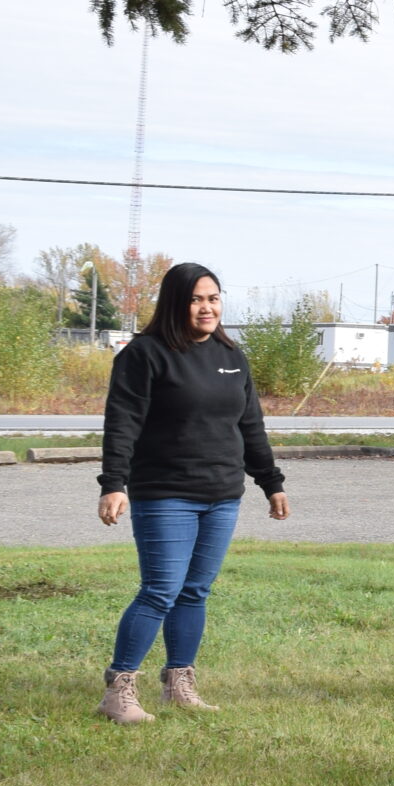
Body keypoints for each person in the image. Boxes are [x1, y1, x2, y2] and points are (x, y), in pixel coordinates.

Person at [94, 263, 291, 724]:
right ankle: (119, 689)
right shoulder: (145, 354)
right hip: (165, 492)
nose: (208, 308)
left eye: (214, 298)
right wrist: (113, 484)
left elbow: (251, 426)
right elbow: (122, 423)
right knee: (160, 589)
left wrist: (271, 483)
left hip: (222, 494)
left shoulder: (232, 356)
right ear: (176, 302)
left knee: (195, 591)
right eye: (197, 299)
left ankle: (179, 683)